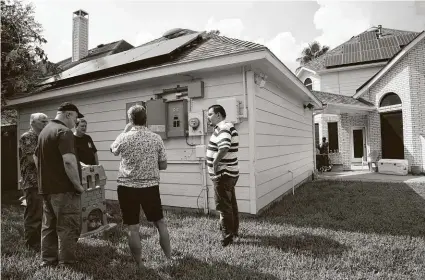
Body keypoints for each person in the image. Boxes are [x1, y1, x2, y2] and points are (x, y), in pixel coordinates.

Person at [110, 104, 171, 268]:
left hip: (126, 188)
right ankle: (169, 258)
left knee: (133, 227)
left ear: (130, 119)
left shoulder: (124, 137)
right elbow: (163, 165)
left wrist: (125, 131)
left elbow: (113, 150)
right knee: (160, 223)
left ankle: (139, 264)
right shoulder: (156, 138)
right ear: (146, 120)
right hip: (150, 187)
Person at [34, 102, 85, 267]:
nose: (75, 123)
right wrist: (77, 185)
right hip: (64, 189)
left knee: (49, 226)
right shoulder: (64, 131)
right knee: (68, 226)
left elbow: (36, 157)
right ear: (68, 115)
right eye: (76, 118)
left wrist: (47, 173)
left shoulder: (44, 132)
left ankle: (48, 260)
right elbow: (69, 162)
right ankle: (67, 263)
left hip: (46, 188)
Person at [206, 104, 239, 247]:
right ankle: (234, 232)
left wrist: (214, 163)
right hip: (229, 172)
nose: (208, 117)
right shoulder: (227, 127)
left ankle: (227, 237)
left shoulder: (223, 128)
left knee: (223, 206)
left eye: (210, 114)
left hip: (223, 173)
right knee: (231, 204)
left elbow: (224, 146)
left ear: (218, 115)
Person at [19, 113, 49, 250]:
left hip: (43, 180)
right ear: (33, 123)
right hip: (32, 182)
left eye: (46, 121)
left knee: (43, 212)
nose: (45, 123)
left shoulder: (43, 137)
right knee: (33, 213)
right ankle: (31, 243)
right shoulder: (27, 137)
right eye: (42, 121)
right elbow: (33, 160)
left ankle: (40, 240)